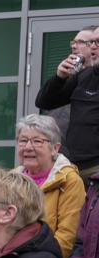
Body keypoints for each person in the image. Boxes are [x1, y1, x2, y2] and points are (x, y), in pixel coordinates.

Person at [13, 113, 84, 258]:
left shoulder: (68, 181)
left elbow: (67, 237)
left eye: (37, 141)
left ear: (55, 148)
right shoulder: (10, 180)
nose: (28, 147)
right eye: (23, 140)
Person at [34, 25, 99, 178]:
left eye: (98, 42)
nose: (94, 46)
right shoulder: (85, 76)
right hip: (74, 166)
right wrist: (59, 78)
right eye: (92, 42)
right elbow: (44, 102)